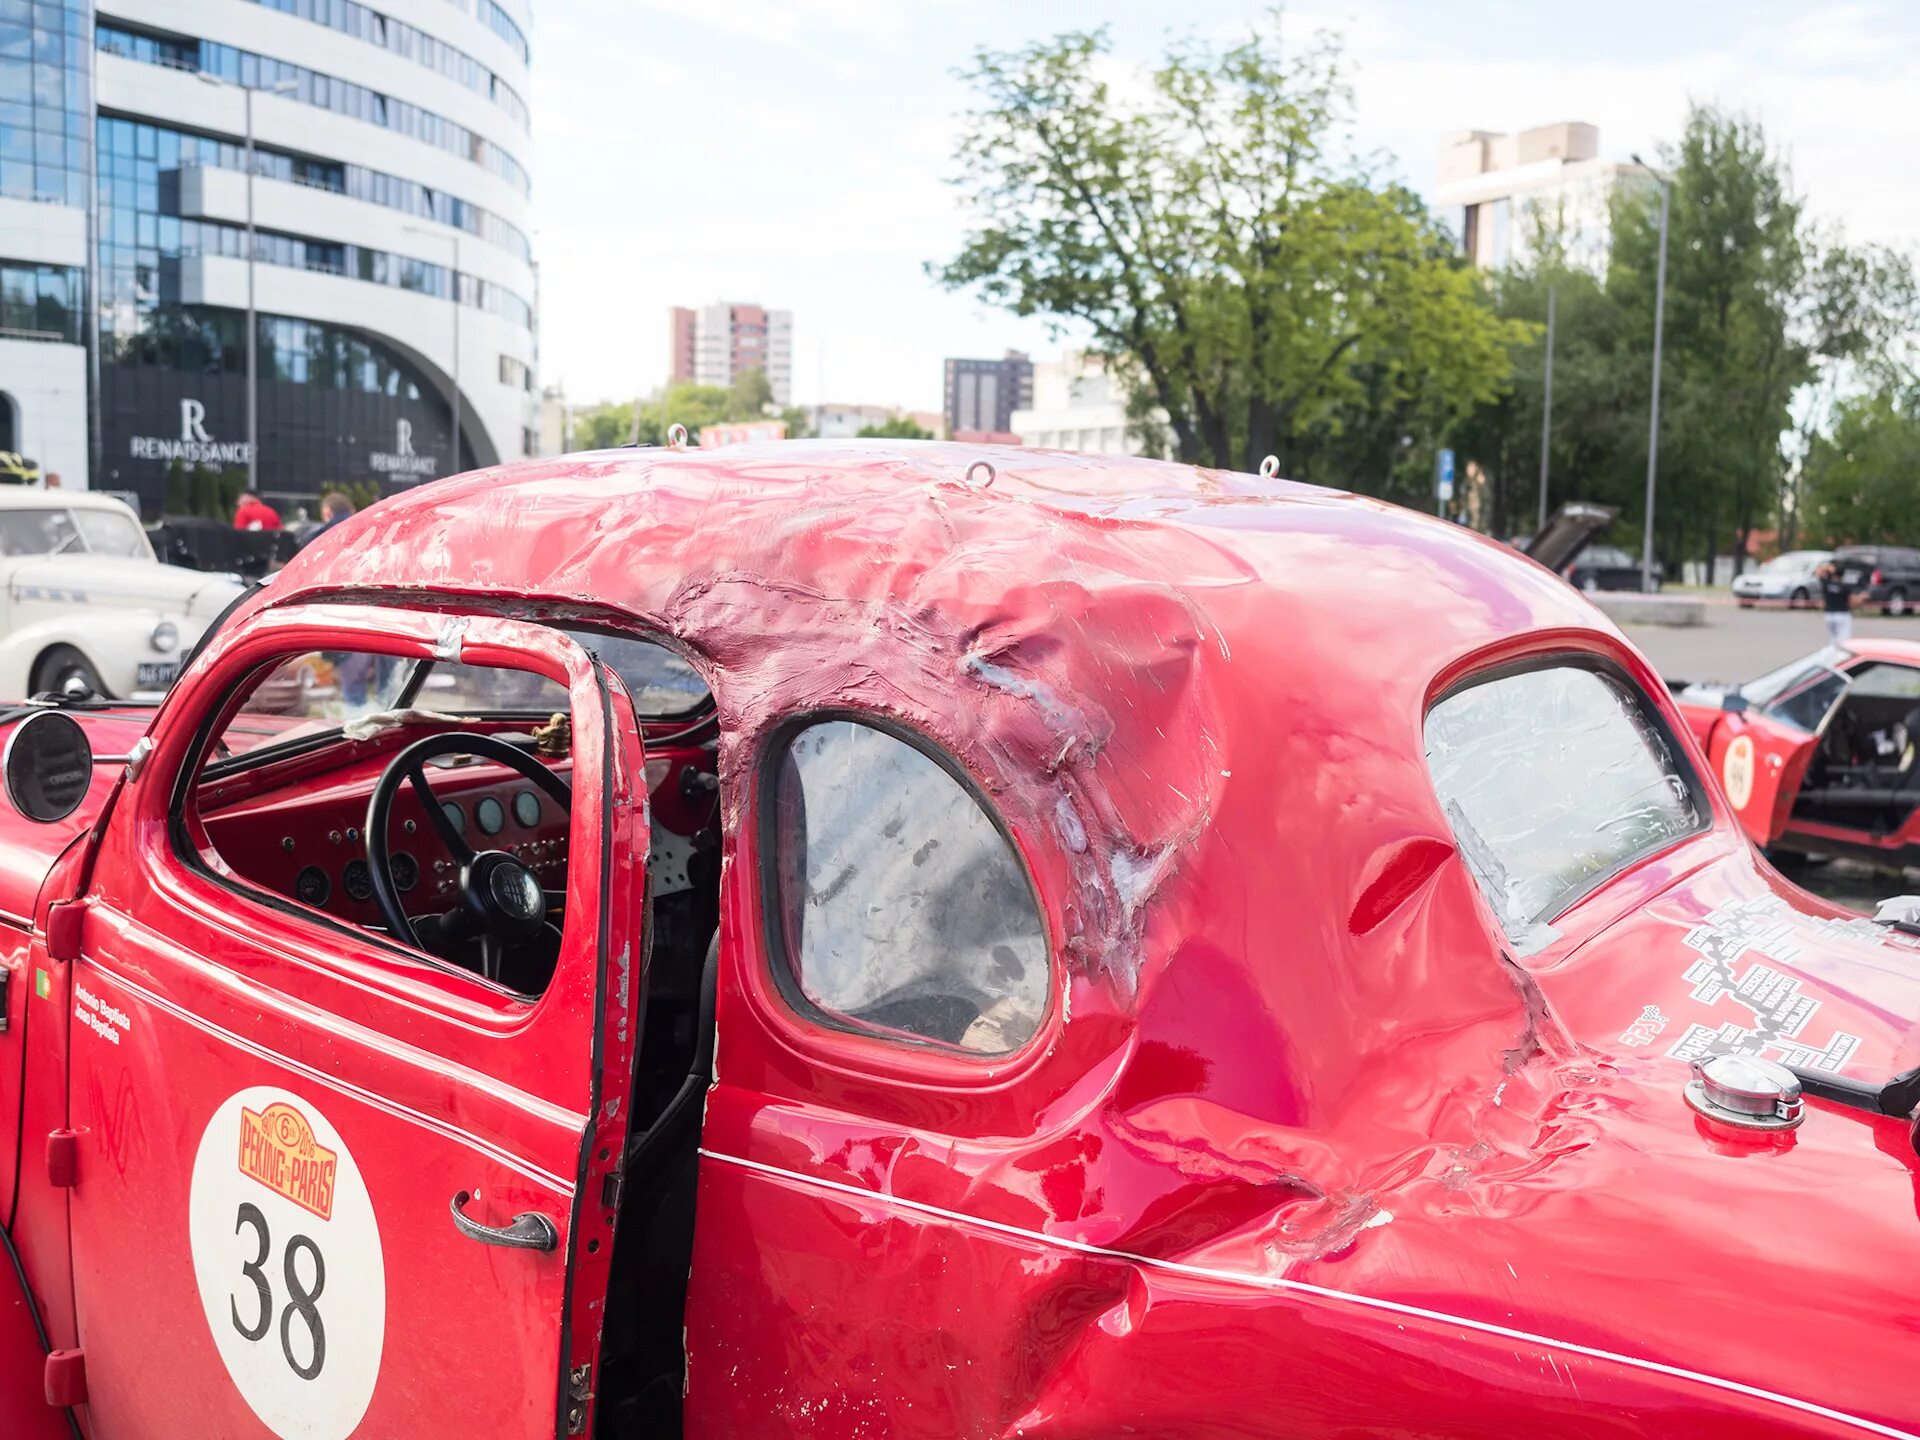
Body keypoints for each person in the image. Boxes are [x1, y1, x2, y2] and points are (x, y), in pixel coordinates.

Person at [1818, 561, 1855, 646]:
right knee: (1844, 640)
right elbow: (1851, 601)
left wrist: (1827, 567)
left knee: (1833, 639)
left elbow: (1818, 572)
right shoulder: (1845, 586)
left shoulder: (1826, 583)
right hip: (1842, 614)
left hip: (1829, 614)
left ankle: (1832, 653)